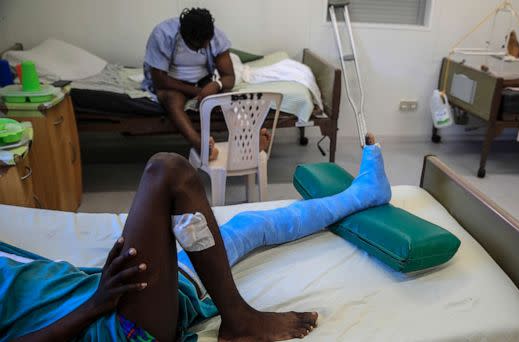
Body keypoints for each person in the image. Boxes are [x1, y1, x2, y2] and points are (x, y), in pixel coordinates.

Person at [2, 135, 390, 341]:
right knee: (167, 171)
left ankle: (363, 194)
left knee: (247, 228)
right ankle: (238, 319)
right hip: (111, 327)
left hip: (102, 296)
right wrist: (95, 305)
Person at [142, 8, 271, 160]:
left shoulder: (215, 37)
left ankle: (250, 139)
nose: (203, 48)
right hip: (171, 84)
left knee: (228, 100)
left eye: (206, 44)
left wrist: (216, 85)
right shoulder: (162, 35)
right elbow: (160, 80)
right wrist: (197, 91)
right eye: (197, 46)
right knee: (171, 100)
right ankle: (201, 145)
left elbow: (229, 77)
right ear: (185, 36)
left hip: (204, 81)